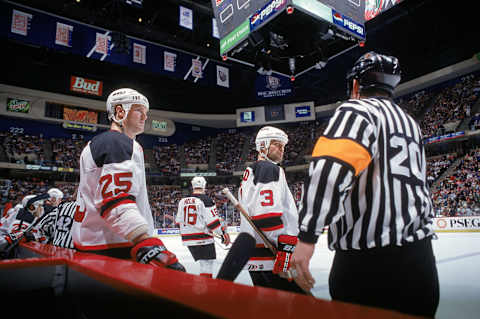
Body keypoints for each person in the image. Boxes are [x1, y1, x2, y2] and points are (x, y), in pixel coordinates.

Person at [291, 52, 439, 317]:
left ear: (356, 86)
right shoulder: (410, 123)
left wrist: (307, 237)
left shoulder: (356, 110)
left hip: (368, 266)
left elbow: (329, 169)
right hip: (421, 262)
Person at [71, 88, 184, 271]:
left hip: (95, 244)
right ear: (120, 112)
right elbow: (116, 200)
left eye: (146, 113)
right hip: (113, 247)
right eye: (139, 110)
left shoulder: (102, 143)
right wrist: (145, 241)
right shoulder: (116, 141)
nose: (145, 117)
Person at [216, 126, 305, 294]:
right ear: (262, 146)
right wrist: (284, 249)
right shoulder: (269, 168)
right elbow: (267, 216)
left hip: (258, 258)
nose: (281, 149)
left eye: (283, 146)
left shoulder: (254, 170)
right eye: (277, 144)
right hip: (272, 257)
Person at [176, 176, 231, 278]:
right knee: (207, 265)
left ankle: (203, 287)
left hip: (187, 239)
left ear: (192, 186)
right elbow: (213, 222)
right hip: (203, 238)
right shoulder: (206, 200)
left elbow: (178, 222)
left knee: (203, 263)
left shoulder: (182, 201)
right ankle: (205, 288)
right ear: (204, 186)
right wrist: (223, 234)